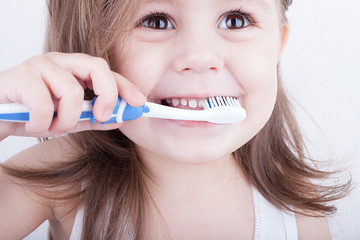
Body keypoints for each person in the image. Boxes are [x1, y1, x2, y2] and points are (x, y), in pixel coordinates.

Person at [0, 0, 350, 239]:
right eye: (156, 20)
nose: (199, 58)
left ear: (278, 45)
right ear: (93, 49)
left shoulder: (299, 217)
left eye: (235, 19)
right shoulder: (54, 178)